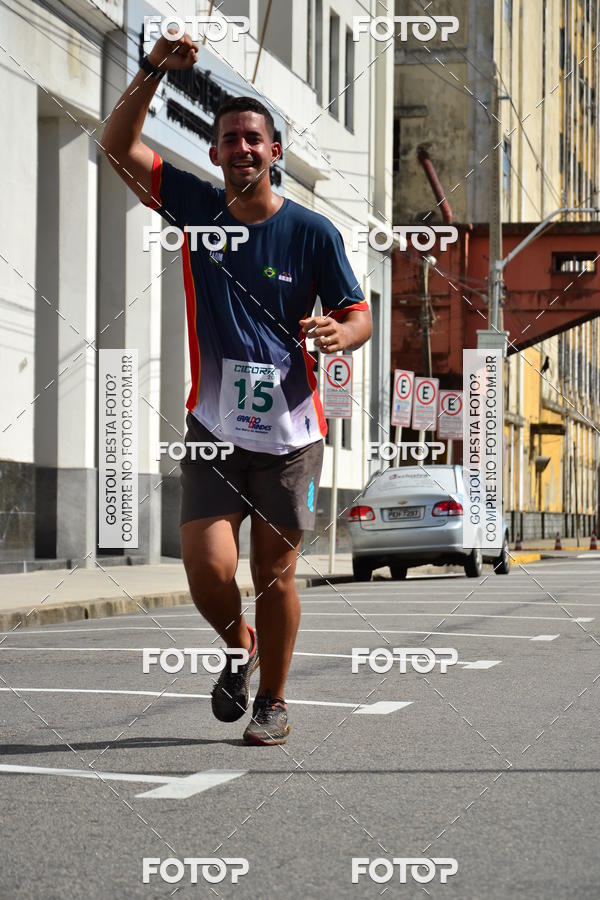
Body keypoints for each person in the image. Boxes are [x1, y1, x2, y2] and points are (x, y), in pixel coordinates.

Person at [102, 29, 372, 745]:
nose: (243, 148)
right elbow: (115, 144)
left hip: (291, 439)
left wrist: (343, 335)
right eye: (230, 139)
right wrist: (153, 69)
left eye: (255, 138)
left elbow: (359, 312)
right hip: (213, 429)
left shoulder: (313, 233)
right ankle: (238, 647)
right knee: (207, 568)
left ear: (274, 152)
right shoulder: (195, 206)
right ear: (215, 152)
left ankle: (274, 702)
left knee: (276, 573)